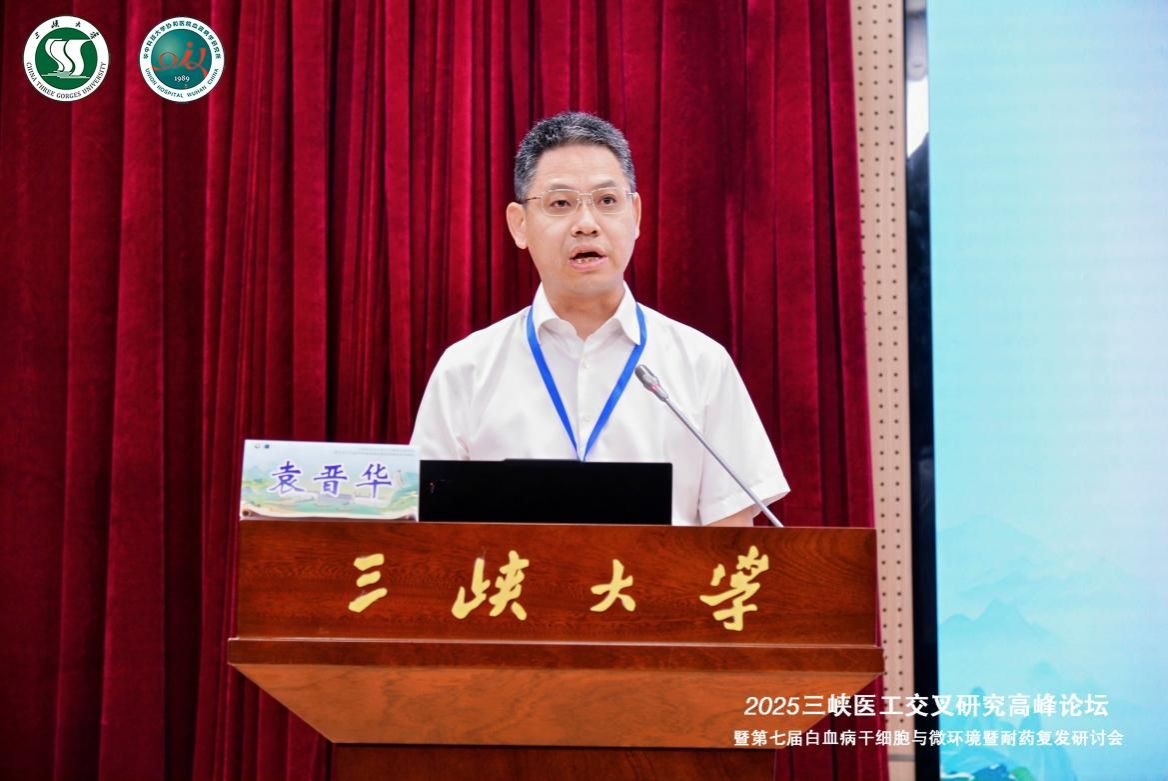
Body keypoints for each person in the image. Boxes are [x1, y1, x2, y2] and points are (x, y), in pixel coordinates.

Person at [410, 111, 788, 526]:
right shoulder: (466, 369)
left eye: (607, 201)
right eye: (560, 203)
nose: (586, 225)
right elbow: (426, 526)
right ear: (519, 225)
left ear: (635, 215)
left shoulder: (701, 365)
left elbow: (731, 537)